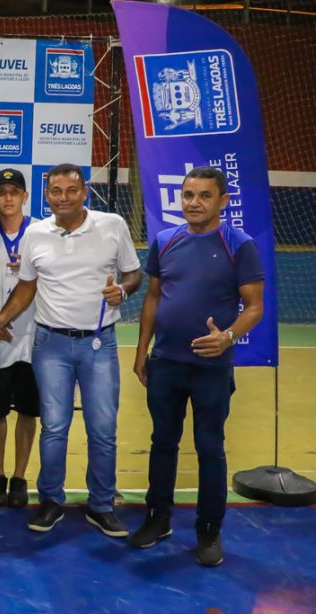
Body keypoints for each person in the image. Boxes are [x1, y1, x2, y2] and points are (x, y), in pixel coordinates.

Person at [0, 163, 141, 538]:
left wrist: (125, 291)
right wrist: (1, 317)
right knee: (54, 428)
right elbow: (26, 288)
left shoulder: (112, 225)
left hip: (100, 342)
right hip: (50, 344)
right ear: (47, 195)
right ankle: (51, 500)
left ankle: (101, 505)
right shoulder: (36, 233)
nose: (63, 197)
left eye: (71, 190)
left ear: (85, 192)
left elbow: (134, 273)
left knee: (103, 429)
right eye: (56, 191)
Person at [130, 167, 264, 567]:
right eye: (188, 195)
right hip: (166, 363)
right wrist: (142, 352)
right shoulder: (165, 241)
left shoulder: (239, 244)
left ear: (222, 201)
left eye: (204, 196)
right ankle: (158, 518)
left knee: (209, 448)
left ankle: (209, 529)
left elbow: (254, 306)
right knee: (162, 443)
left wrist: (227, 337)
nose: (194, 202)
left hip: (211, 368)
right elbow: (152, 299)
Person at [0, 169, 39, 509]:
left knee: (28, 412)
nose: (7, 197)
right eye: (1, 192)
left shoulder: (41, 231)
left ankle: (20, 476)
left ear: (24, 196)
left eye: (14, 191)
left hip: (33, 335)